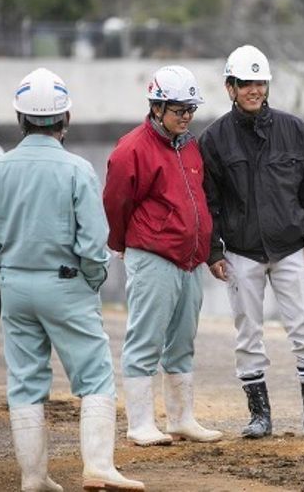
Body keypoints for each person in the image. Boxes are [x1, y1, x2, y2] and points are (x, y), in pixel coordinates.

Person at [0, 68, 143, 491]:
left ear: (20, 118)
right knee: (95, 375)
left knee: (25, 382)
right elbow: (93, 241)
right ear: (65, 118)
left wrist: (2, 281)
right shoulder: (76, 169)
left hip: (15, 285)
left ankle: (34, 478)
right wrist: (91, 280)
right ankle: (98, 466)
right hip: (66, 283)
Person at [199, 45, 304, 440]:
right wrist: (213, 251)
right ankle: (259, 416)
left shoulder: (296, 131)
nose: (254, 90)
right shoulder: (213, 140)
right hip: (240, 251)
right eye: (245, 83)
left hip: (292, 247)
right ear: (230, 87)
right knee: (248, 333)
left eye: (260, 82)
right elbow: (208, 202)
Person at [104, 65, 222, 446]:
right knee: (145, 338)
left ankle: (181, 418)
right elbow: (116, 202)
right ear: (156, 107)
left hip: (190, 259)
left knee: (183, 340)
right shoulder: (132, 149)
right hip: (153, 255)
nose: (186, 116)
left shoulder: (190, 145)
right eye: (179, 109)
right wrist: (122, 243)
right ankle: (139, 423)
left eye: (191, 109)